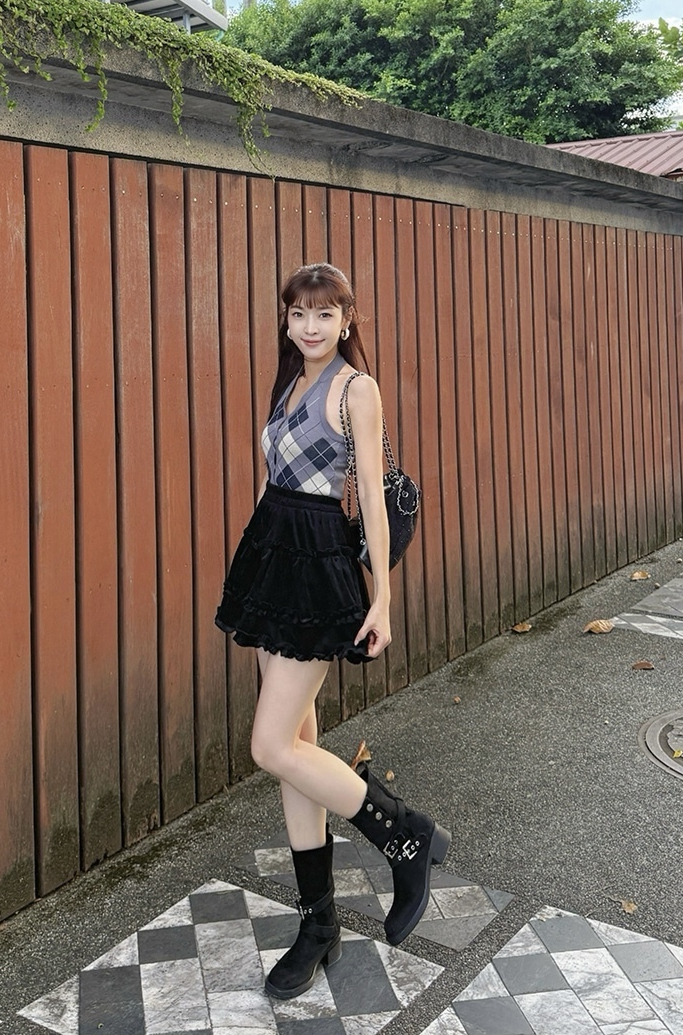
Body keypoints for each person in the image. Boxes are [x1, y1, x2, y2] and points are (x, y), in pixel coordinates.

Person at [215, 263, 450, 1000]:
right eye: (298, 314)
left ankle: (403, 833)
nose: (310, 327)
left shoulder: (356, 389)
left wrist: (382, 598)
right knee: (297, 748)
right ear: (286, 321)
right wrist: (256, 558)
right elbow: (273, 477)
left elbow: (372, 498)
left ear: (347, 320)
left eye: (324, 314)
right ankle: (318, 921)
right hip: (273, 556)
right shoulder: (289, 380)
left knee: (269, 746)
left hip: (319, 563)